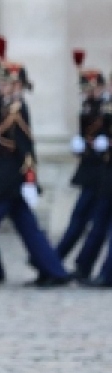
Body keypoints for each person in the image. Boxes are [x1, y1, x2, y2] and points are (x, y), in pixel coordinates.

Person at [0, 60, 70, 287]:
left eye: (5, 83)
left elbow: (26, 148)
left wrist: (30, 179)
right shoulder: (3, 106)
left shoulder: (18, 110)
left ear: (16, 85)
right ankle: (54, 271)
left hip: (6, 175)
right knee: (28, 228)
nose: (0, 86)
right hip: (0, 173)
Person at [55, 52, 108, 264]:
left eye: (92, 89)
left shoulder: (106, 109)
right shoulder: (87, 108)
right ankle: (59, 258)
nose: (88, 94)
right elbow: (86, 133)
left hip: (102, 170)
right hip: (90, 169)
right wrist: (79, 144)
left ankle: (68, 261)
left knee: (94, 222)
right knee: (81, 218)